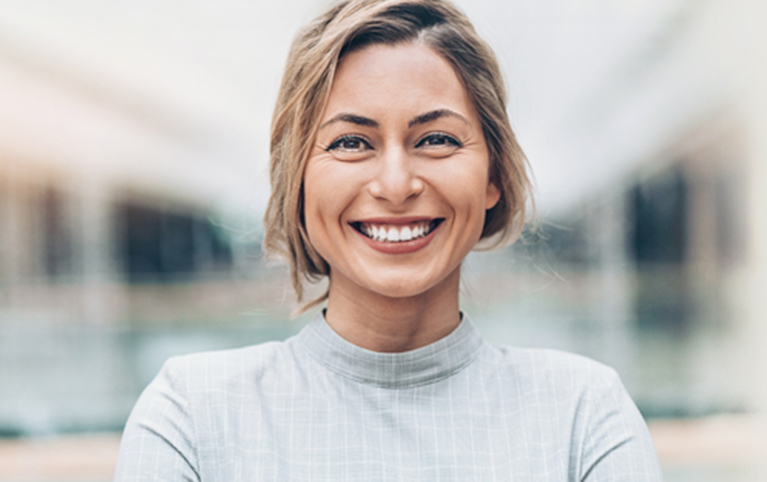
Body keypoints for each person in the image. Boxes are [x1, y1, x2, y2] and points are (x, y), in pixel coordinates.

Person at [114, 0, 663, 480]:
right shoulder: (191, 415)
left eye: (437, 139)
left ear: (493, 175)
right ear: (297, 178)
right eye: (351, 142)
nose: (396, 185)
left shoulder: (584, 415)